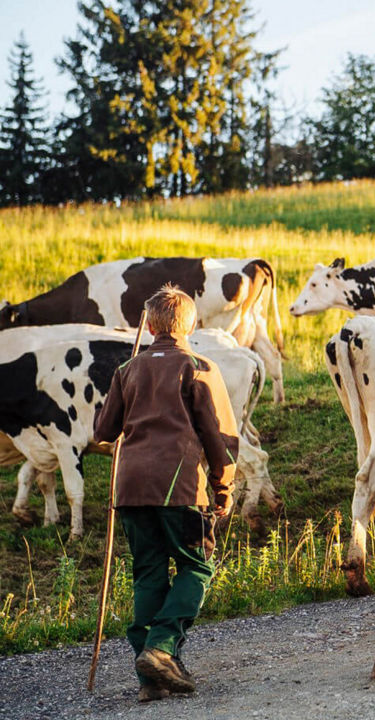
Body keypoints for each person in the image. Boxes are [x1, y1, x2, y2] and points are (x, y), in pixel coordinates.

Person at [93, 285, 241, 702]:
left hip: (131, 486)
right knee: (196, 568)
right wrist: (224, 486)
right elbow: (219, 438)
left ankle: (152, 678)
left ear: (151, 326)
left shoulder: (127, 369)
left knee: (149, 573)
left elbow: (103, 432)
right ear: (190, 325)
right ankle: (160, 648)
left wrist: (123, 388)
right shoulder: (199, 367)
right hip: (181, 485)